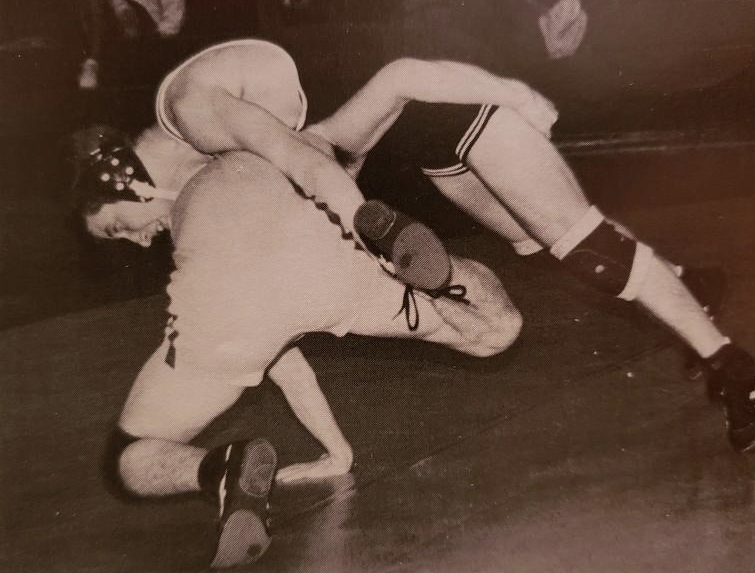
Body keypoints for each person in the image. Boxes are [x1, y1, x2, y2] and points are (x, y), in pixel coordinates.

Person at [144, 39, 754, 453]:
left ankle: (735, 371)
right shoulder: (311, 149)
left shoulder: (300, 138)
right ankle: (685, 284)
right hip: (438, 144)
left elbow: (403, 76)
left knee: (583, 246)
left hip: (470, 108)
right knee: (529, 239)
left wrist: (517, 95)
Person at [69, 122, 522, 567]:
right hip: (327, 256)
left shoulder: (192, 187)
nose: (136, 240)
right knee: (494, 334)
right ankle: (442, 281)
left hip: (226, 300)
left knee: (128, 457)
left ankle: (220, 468)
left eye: (116, 228)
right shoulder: (225, 137)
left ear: (121, 180)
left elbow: (271, 342)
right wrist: (337, 452)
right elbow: (284, 356)